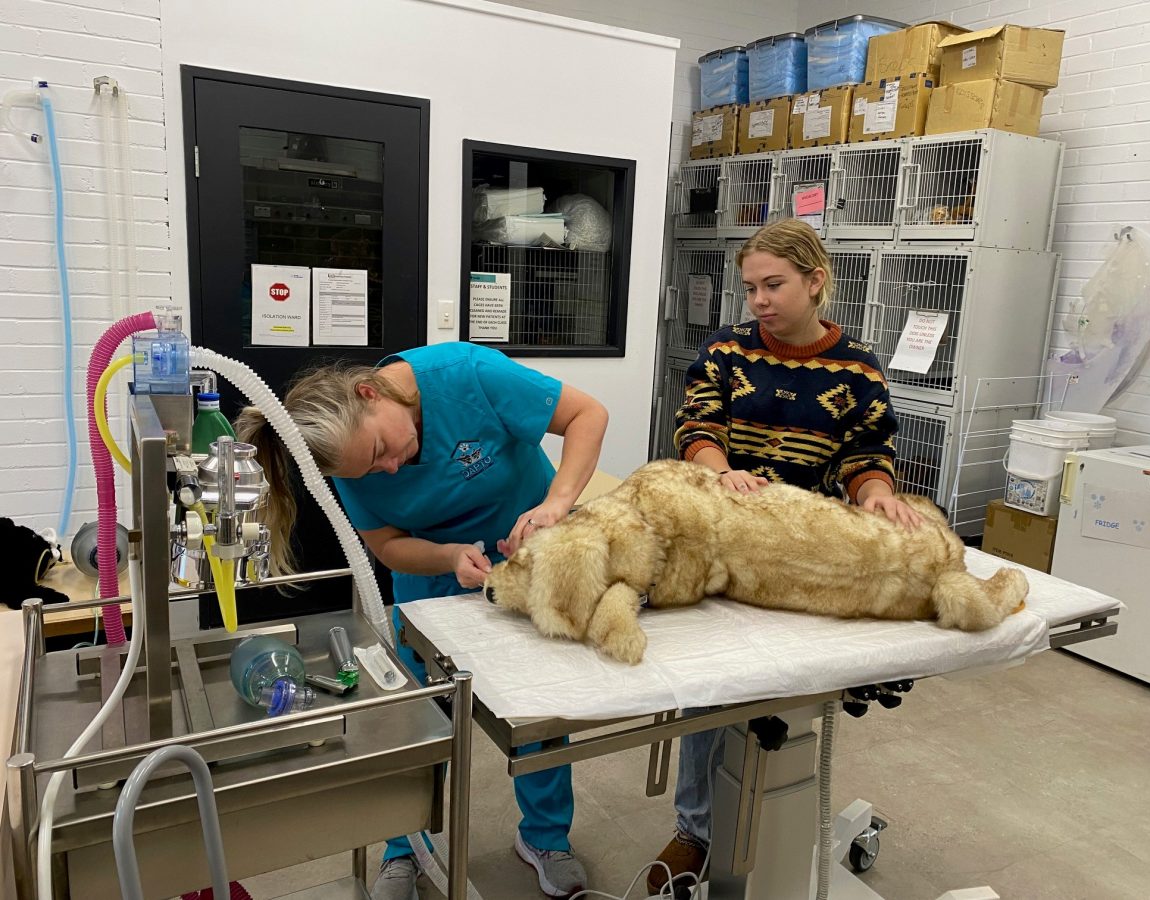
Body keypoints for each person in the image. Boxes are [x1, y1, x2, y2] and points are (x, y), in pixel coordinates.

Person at [236, 341, 608, 900]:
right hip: (433, 580)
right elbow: (385, 545)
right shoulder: (350, 455)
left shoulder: (467, 375)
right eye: (373, 467)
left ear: (369, 392)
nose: (390, 467)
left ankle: (545, 837)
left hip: (529, 557)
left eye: (385, 447)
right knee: (415, 721)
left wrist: (556, 504)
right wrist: (448, 557)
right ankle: (403, 847)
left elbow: (587, 415)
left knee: (538, 709)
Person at [649, 219, 922, 894]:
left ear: (815, 281)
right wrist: (718, 471)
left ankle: (774, 821)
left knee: (790, 694)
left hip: (803, 553)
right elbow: (698, 425)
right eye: (751, 288)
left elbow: (867, 451)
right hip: (725, 543)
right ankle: (695, 831)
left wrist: (879, 494)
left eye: (774, 285)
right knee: (709, 696)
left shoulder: (858, 366)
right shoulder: (726, 352)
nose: (760, 300)